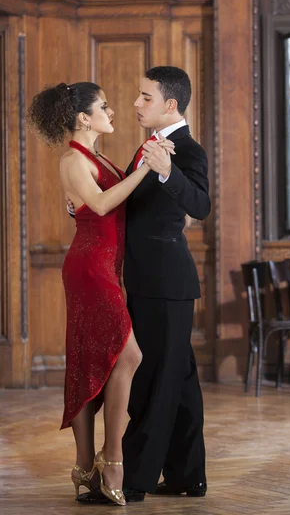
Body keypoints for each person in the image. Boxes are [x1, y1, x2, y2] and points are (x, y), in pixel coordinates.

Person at [27, 82, 175, 506]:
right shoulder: (73, 158)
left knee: (99, 358)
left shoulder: (98, 156)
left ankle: (86, 466)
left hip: (106, 267)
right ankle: (111, 460)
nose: (113, 111)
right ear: (83, 118)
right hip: (89, 269)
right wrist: (147, 166)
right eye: (104, 107)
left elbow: (102, 204)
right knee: (127, 355)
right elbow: (104, 204)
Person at [76, 66, 211, 505]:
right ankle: (188, 476)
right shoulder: (148, 147)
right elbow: (131, 209)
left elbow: (201, 205)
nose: (135, 104)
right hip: (150, 279)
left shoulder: (185, 150)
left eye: (145, 97)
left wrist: (170, 173)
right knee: (181, 381)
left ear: (170, 104)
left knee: (152, 380)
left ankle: (130, 481)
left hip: (164, 281)